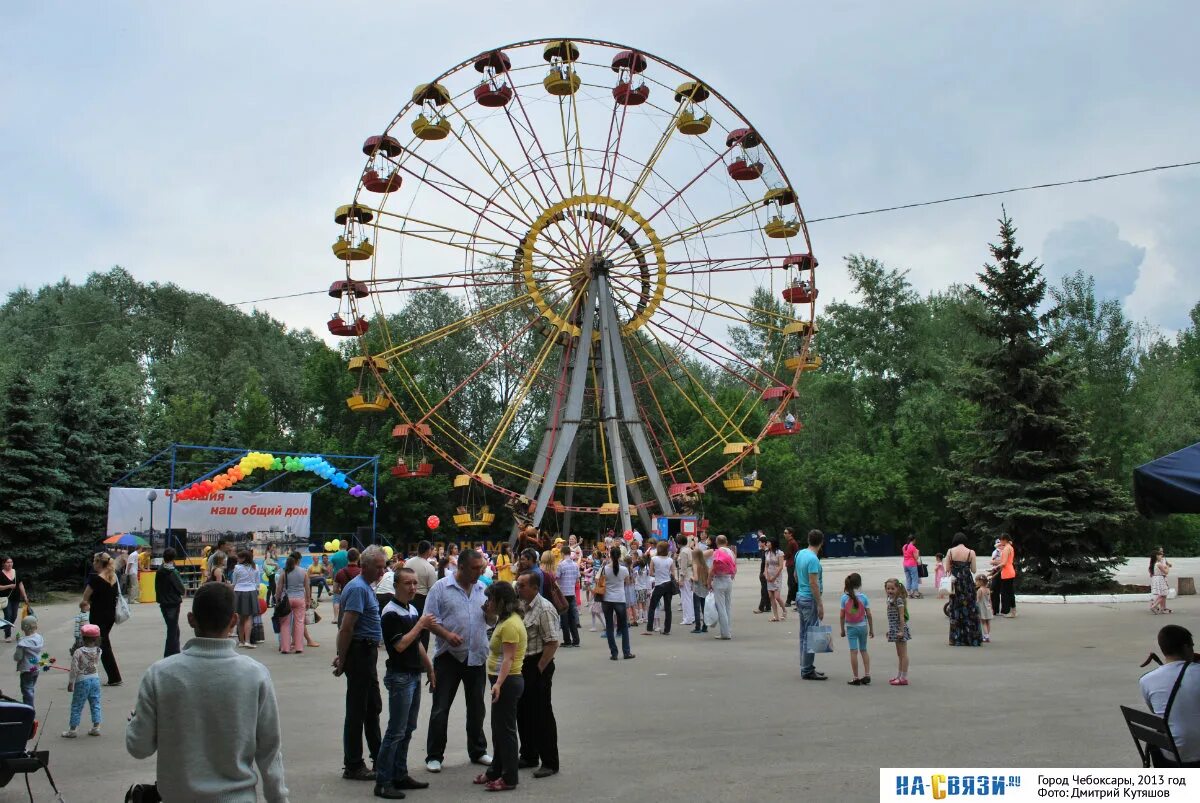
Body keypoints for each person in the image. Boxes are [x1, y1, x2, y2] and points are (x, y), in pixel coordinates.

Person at [126, 582, 289, 801]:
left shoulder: (160, 674)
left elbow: (139, 747)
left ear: (191, 619)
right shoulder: (255, 674)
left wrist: (136, 721)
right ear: (233, 620)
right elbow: (270, 753)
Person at [423, 548, 493, 773]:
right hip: (448, 658)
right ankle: (434, 755)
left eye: (480, 568)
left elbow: (490, 620)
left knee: (477, 708)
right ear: (460, 567)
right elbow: (428, 619)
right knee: (441, 708)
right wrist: (447, 635)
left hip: (476, 656)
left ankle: (478, 750)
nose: (478, 572)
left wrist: (492, 613)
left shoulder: (483, 588)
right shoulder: (441, 588)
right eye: (474, 568)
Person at [375, 567, 436, 799]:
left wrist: (429, 668)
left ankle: (400, 774)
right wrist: (420, 625)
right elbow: (400, 645)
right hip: (400, 676)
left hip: (413, 674)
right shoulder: (391, 612)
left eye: (414, 583)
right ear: (396, 586)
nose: (412, 588)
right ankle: (383, 781)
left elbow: (416, 643)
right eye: (407, 583)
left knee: (407, 729)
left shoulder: (410, 609)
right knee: (396, 731)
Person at [333, 545, 388, 782]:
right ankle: (353, 763)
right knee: (358, 710)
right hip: (360, 653)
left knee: (371, 706)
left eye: (384, 566)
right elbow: (347, 627)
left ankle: (379, 756)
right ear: (364, 566)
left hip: (366, 653)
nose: (382, 571)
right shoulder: (358, 589)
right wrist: (343, 658)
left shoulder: (364, 587)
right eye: (378, 567)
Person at [475, 581, 526, 792]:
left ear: (501, 601)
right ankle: (496, 769)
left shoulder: (511, 624)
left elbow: (508, 659)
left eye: (491, 599)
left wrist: (498, 684)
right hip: (502, 681)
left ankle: (509, 777)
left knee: (505, 731)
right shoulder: (504, 620)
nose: (488, 603)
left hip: (507, 681)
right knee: (498, 729)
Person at [516, 570, 560, 779]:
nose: (518, 588)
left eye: (522, 585)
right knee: (523, 712)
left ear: (534, 587)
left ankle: (549, 761)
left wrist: (538, 669)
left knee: (542, 714)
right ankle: (528, 754)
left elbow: (552, 642)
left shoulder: (544, 609)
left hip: (538, 663)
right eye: (518, 584)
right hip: (522, 664)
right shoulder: (520, 605)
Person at [1139, 625, 1200, 765]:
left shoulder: (1146, 680)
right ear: (1186, 647)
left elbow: (1157, 711)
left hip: (1169, 756)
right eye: (1192, 646)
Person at [80, 552, 122, 686]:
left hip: (98, 616)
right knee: (103, 643)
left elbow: (85, 598)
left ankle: (114, 677)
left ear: (99, 562)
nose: (93, 563)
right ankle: (112, 675)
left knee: (102, 644)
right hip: (110, 616)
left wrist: (84, 605)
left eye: (94, 561)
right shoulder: (113, 578)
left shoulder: (96, 580)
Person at [63, 623, 103, 738]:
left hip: (82, 681)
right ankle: (96, 727)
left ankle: (73, 730)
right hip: (95, 679)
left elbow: (74, 669)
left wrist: (71, 682)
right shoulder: (99, 650)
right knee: (95, 703)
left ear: (83, 637)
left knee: (77, 705)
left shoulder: (78, 652)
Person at [943, 533, 982, 647]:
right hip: (967, 583)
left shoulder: (950, 551)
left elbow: (947, 569)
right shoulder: (971, 552)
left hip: (955, 583)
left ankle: (955, 639)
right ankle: (971, 638)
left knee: (955, 608)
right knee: (970, 609)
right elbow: (974, 570)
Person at [796, 529, 825, 678]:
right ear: (821, 542)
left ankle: (805, 666)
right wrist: (819, 604)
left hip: (800, 596)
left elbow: (795, 576)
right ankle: (807, 670)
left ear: (808, 539)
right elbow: (814, 583)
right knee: (811, 635)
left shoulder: (800, 554)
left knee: (804, 634)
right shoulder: (813, 559)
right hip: (809, 599)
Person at [602, 545, 635, 660]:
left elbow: (600, 581)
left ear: (610, 556)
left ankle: (614, 653)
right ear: (620, 556)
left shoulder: (605, 568)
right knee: (624, 626)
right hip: (620, 599)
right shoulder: (624, 569)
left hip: (607, 599)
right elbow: (627, 582)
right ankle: (626, 652)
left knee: (609, 626)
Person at [840, 573, 873, 686]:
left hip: (850, 627)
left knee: (853, 651)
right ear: (859, 584)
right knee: (863, 650)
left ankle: (855, 677)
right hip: (863, 626)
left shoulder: (844, 598)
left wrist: (842, 629)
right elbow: (868, 614)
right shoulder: (863, 597)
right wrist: (871, 628)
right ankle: (867, 674)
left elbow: (841, 615)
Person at [277, 553, 312, 654]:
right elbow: (307, 587)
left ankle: (285, 648)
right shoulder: (303, 571)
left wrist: (277, 598)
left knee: (285, 624)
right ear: (298, 561)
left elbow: (279, 588)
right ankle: (299, 647)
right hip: (300, 599)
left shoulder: (284, 572)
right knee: (299, 623)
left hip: (286, 599)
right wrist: (308, 600)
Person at [155, 547, 186, 657]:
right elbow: (181, 589)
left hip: (163, 603)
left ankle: (175, 651)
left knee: (173, 628)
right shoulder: (172, 572)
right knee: (173, 630)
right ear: (174, 558)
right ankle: (170, 654)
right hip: (173, 602)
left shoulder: (160, 570)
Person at [644, 541, 677, 636]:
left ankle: (649, 628)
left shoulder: (654, 559)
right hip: (668, 584)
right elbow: (673, 574)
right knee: (668, 608)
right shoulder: (670, 560)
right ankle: (667, 629)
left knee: (652, 607)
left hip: (659, 584)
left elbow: (650, 573)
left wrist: (657, 574)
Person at [708, 535, 737, 641]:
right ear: (726, 541)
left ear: (716, 542)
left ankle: (725, 633)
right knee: (727, 606)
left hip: (719, 580)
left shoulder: (717, 552)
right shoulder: (731, 552)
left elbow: (713, 568)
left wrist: (708, 581)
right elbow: (734, 566)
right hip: (729, 579)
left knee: (721, 607)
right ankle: (728, 630)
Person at [884, 578, 911, 685]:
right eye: (888, 588)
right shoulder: (890, 599)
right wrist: (890, 630)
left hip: (900, 629)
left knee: (903, 654)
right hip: (894, 629)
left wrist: (901, 630)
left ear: (898, 588)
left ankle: (903, 677)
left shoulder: (898, 600)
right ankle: (899, 675)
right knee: (899, 654)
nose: (890, 590)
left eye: (892, 588)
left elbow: (901, 616)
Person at [231, 549, 260, 649]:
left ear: (244, 558)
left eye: (239, 557)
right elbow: (257, 582)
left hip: (239, 591)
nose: (237, 559)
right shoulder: (255, 567)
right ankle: (248, 641)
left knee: (240, 618)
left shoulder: (237, 568)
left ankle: (241, 641)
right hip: (251, 591)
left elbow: (234, 582)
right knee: (248, 618)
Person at [14, 616, 43, 707]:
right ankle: (29, 707)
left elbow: (17, 657)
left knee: (26, 690)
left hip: (27, 670)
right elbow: (29, 641)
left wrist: (19, 644)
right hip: (36, 668)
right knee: (31, 688)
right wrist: (20, 640)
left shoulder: (22, 643)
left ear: (24, 627)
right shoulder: (39, 638)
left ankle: (29, 710)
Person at [555, 546, 580, 647]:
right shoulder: (575, 565)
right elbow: (578, 579)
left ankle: (567, 641)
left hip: (563, 594)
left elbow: (556, 577)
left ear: (562, 553)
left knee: (564, 618)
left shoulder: (561, 565)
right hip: (572, 593)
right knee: (572, 618)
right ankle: (576, 640)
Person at [0, 557, 29, 642]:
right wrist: (8, 586)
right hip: (5, 598)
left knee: (14, 616)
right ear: (3, 563)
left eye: (11, 562)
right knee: (8, 615)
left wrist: (25, 596)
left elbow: (20, 585)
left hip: (16, 598)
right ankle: (7, 635)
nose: (10, 564)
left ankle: (6, 627)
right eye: (7, 562)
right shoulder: (0, 573)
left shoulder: (16, 572)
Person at [764, 537, 787, 621]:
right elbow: (766, 565)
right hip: (769, 575)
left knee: (777, 596)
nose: (767, 544)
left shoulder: (779, 553)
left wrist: (774, 577)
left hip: (776, 576)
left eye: (768, 542)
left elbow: (781, 566)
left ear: (773, 543)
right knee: (771, 596)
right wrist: (766, 575)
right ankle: (776, 616)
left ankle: (784, 610)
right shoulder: (767, 553)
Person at [690, 540, 709, 634]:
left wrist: (691, 577)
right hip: (705, 588)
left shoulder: (695, 564)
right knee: (704, 608)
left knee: (696, 608)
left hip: (697, 588)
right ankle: (705, 626)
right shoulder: (705, 565)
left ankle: (698, 627)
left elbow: (696, 578)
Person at [995, 534, 1017, 617]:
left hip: (1007, 572)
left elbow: (1003, 563)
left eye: (1001, 540)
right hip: (1010, 571)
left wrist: (994, 568)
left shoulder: (1006, 549)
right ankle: (1013, 611)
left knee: (1007, 592)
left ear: (1004, 540)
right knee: (1010, 592)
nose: (1000, 542)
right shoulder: (1010, 547)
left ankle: (1011, 612)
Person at [675, 535, 695, 628]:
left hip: (685, 576)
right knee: (690, 597)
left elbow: (683, 567)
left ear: (678, 543)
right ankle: (692, 616)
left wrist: (681, 579)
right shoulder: (690, 550)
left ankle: (687, 618)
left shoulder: (683, 552)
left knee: (685, 597)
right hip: (691, 574)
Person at [1150, 547, 1173, 615]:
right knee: (1163, 594)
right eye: (1160, 555)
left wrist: (1166, 566)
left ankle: (1159, 607)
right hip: (1160, 579)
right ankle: (1154, 606)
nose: (1161, 556)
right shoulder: (1158, 564)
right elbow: (1166, 572)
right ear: (1157, 556)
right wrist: (1168, 567)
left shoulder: (1154, 563)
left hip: (1157, 578)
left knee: (1162, 594)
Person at [783, 528, 799, 610]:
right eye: (784, 533)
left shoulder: (792, 542)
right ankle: (795, 600)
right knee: (793, 583)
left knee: (791, 583)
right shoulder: (791, 542)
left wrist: (781, 557)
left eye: (786, 533)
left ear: (790, 534)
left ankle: (789, 601)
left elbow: (788, 554)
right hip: (791, 564)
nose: (784, 534)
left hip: (792, 565)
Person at [754, 535, 770, 614]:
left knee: (764, 590)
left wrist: (764, 572)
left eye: (760, 542)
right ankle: (768, 606)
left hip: (765, 573)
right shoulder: (764, 551)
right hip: (763, 572)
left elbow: (767, 564)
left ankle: (761, 608)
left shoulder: (767, 552)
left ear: (763, 543)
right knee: (766, 590)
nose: (759, 544)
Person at [975, 574, 993, 643]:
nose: (976, 583)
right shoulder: (988, 590)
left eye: (976, 581)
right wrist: (991, 607)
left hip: (982, 608)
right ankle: (987, 635)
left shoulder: (980, 590)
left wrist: (975, 605)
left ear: (980, 582)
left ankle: (986, 636)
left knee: (983, 622)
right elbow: (990, 600)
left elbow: (978, 599)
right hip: (988, 607)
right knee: (988, 622)